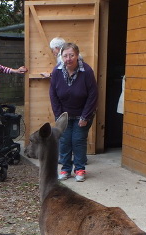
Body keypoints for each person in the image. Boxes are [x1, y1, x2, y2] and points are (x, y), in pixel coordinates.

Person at [49, 42, 98, 182]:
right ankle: (65, 169)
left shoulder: (87, 71)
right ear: (61, 56)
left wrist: (85, 116)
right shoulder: (57, 71)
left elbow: (93, 95)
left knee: (77, 140)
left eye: (71, 55)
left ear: (77, 56)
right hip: (64, 114)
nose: (68, 59)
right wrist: (59, 116)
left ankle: (80, 169)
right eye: (65, 56)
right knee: (64, 141)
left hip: (82, 113)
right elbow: (53, 94)